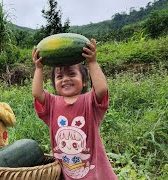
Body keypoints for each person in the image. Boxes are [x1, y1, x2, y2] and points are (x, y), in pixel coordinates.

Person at [32, 39, 117, 179]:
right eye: (59, 76)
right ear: (54, 84)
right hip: (66, 173)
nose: (65, 79)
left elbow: (101, 89)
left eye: (71, 74)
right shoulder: (52, 103)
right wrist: (39, 68)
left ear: (84, 81)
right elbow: (37, 93)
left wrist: (92, 62)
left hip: (93, 173)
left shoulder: (90, 101)